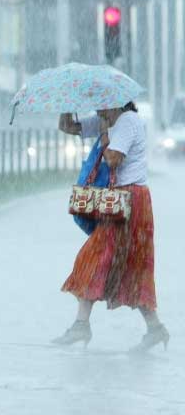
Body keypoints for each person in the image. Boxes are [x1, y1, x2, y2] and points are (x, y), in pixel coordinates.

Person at [53, 103, 168, 352]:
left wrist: (105, 132)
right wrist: (67, 104)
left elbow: (114, 159)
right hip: (121, 201)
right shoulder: (106, 119)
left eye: (102, 107)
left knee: (94, 257)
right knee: (129, 267)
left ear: (116, 102)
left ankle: (81, 325)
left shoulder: (127, 121)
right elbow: (67, 126)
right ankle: (155, 329)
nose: (98, 111)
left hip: (130, 202)